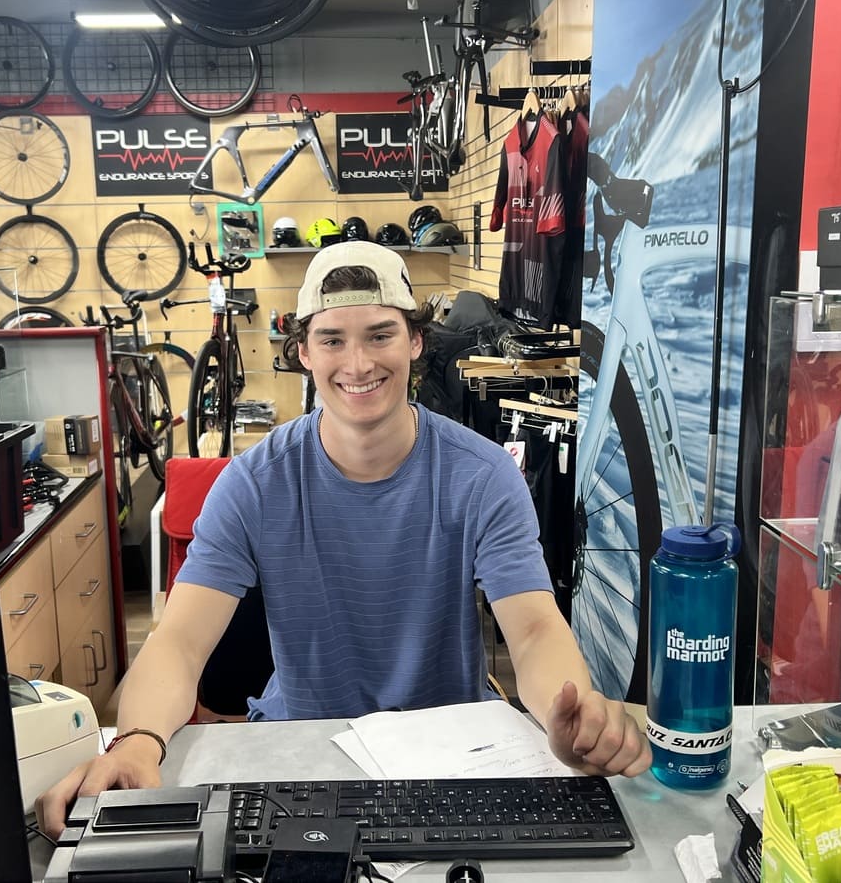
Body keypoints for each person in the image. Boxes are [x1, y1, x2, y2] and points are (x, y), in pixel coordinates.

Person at [37, 240, 651, 836]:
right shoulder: (254, 484)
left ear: (415, 342)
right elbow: (177, 642)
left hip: (451, 758)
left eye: (380, 335)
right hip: (299, 751)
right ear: (304, 352)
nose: (358, 364)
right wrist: (138, 741)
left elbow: (536, 628)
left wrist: (567, 710)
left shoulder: (483, 475)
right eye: (332, 339)